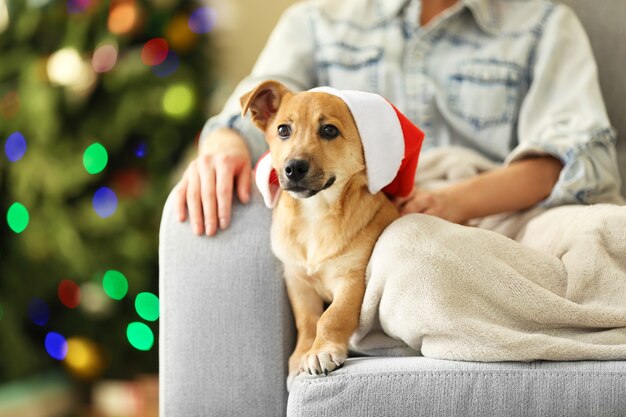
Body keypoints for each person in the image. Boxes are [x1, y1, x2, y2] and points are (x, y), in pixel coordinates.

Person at [175, 0, 623, 237]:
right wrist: (226, 144)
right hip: (387, 218)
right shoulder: (315, 22)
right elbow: (263, 108)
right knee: (408, 249)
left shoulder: (545, 24)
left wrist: (451, 203)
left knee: (607, 230)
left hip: (509, 214)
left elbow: (572, 160)